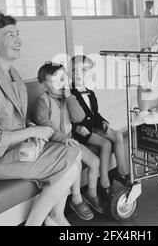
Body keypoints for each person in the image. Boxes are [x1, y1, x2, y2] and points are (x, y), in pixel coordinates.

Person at [0, 10, 86, 226]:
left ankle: (55, 216)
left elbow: (17, 119)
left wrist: (32, 129)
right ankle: (38, 221)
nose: (18, 39)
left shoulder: (13, 75)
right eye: (10, 35)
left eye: (17, 33)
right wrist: (32, 131)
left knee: (73, 152)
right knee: (70, 164)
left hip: (14, 149)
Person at [34, 62, 105, 214]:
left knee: (95, 161)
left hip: (70, 140)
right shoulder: (43, 101)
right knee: (76, 162)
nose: (60, 84)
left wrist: (70, 98)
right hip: (53, 145)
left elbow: (79, 117)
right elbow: (45, 128)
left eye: (63, 79)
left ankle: (91, 194)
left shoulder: (68, 98)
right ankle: (76, 199)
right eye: (54, 81)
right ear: (43, 86)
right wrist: (63, 139)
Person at [69, 55, 129, 200]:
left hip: (93, 126)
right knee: (106, 144)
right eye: (74, 70)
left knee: (118, 135)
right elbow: (68, 116)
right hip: (81, 132)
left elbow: (95, 113)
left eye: (83, 70)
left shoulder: (90, 93)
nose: (78, 74)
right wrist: (76, 127)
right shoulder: (69, 94)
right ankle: (104, 181)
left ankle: (121, 171)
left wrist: (103, 122)